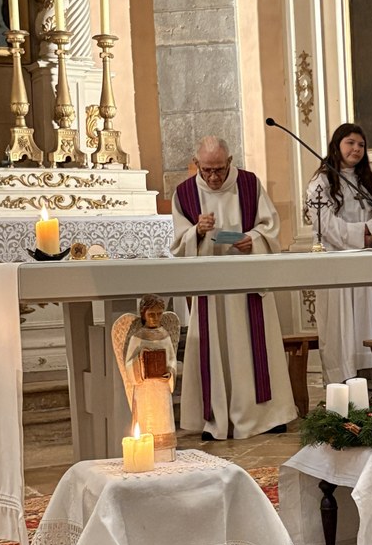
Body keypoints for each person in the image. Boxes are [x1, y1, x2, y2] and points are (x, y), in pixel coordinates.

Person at [171, 136, 297, 440]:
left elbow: (270, 227)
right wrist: (197, 232)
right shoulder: (185, 193)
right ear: (197, 164)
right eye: (206, 170)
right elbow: (178, 243)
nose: (213, 177)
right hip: (211, 292)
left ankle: (266, 417)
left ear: (230, 162)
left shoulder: (250, 185)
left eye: (219, 169)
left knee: (253, 349)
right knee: (216, 349)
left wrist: (253, 239)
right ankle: (217, 419)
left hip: (247, 287)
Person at [304, 123, 372, 388]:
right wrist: (362, 233)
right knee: (342, 329)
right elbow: (325, 225)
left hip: (367, 266)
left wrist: (371, 232)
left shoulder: (370, 181)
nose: (356, 149)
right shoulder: (321, 182)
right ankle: (343, 389)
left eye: (361, 145)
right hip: (338, 266)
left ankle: (369, 386)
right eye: (350, 143)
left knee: (368, 324)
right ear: (337, 145)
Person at [112, 294, 180, 462]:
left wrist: (170, 372)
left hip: (161, 388)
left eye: (159, 314)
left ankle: (166, 455)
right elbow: (129, 363)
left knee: (163, 420)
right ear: (143, 314)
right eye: (151, 314)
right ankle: (146, 455)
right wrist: (140, 360)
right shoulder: (138, 337)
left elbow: (172, 358)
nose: (155, 318)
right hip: (144, 389)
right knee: (146, 420)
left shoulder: (164, 334)